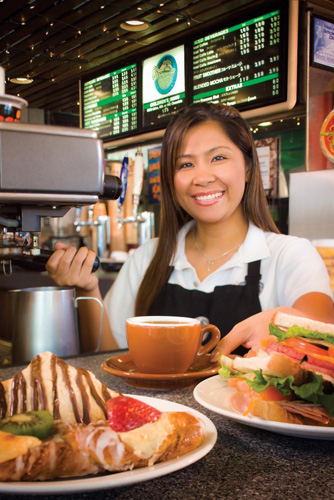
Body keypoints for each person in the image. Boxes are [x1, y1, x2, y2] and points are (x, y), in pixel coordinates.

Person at [46, 102, 334, 359]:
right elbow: (108, 356)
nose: (202, 177)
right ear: (172, 180)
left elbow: (324, 330)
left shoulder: (289, 254)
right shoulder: (148, 257)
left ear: (247, 167)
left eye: (218, 158)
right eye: (185, 164)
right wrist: (87, 287)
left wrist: (278, 321)